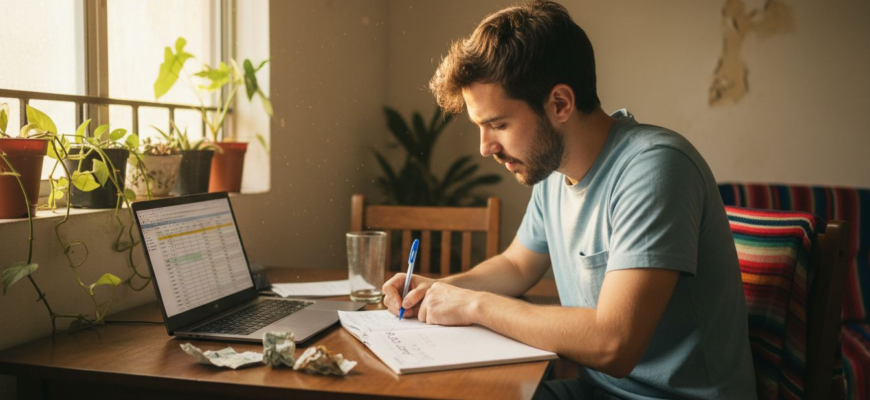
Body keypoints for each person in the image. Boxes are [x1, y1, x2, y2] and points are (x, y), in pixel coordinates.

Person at [381, 1, 756, 399]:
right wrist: (436, 291)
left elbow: (614, 344)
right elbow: (516, 265)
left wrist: (474, 305)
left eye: (498, 125)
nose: (485, 148)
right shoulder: (552, 171)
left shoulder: (654, 169)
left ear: (560, 103)